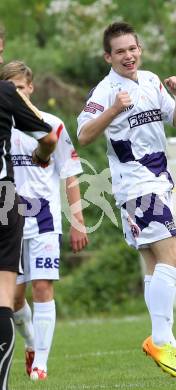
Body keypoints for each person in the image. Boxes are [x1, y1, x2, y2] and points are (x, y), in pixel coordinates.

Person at [77, 22, 176, 378]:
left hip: (158, 181)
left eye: (132, 49)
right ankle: (161, 339)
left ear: (140, 50)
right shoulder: (104, 91)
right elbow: (84, 135)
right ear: (108, 57)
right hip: (136, 185)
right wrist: (114, 110)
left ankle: (168, 341)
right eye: (120, 51)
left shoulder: (150, 80)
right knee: (174, 256)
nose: (128, 56)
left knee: (154, 265)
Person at [0, 60, 89, 381]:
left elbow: (70, 175)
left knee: (42, 289)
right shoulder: (3, 125)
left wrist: (78, 221)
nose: (19, 94)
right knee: (12, 298)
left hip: (45, 218)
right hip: (9, 218)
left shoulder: (51, 124)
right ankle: (32, 342)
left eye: (23, 88)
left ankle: (41, 365)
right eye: (13, 90)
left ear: (31, 88)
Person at [0, 27, 57, 390]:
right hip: (4, 198)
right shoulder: (5, 93)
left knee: (36, 289)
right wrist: (41, 155)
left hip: (36, 210)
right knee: (5, 296)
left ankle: (39, 357)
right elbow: (48, 139)